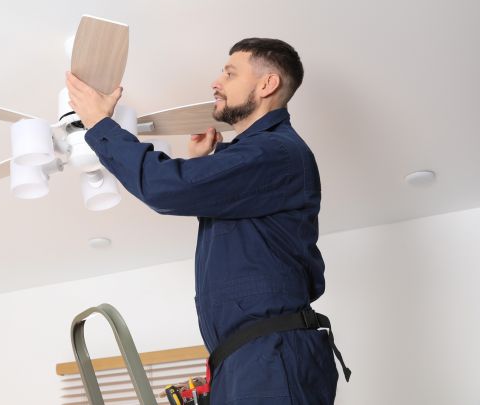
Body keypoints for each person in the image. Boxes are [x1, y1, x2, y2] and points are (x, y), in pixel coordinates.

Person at [65, 38, 350, 405]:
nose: (216, 82)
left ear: (267, 85)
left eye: (230, 73)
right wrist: (205, 163)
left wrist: (100, 124)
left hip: (269, 356)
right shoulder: (264, 159)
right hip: (245, 360)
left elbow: (163, 187)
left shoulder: (276, 152)